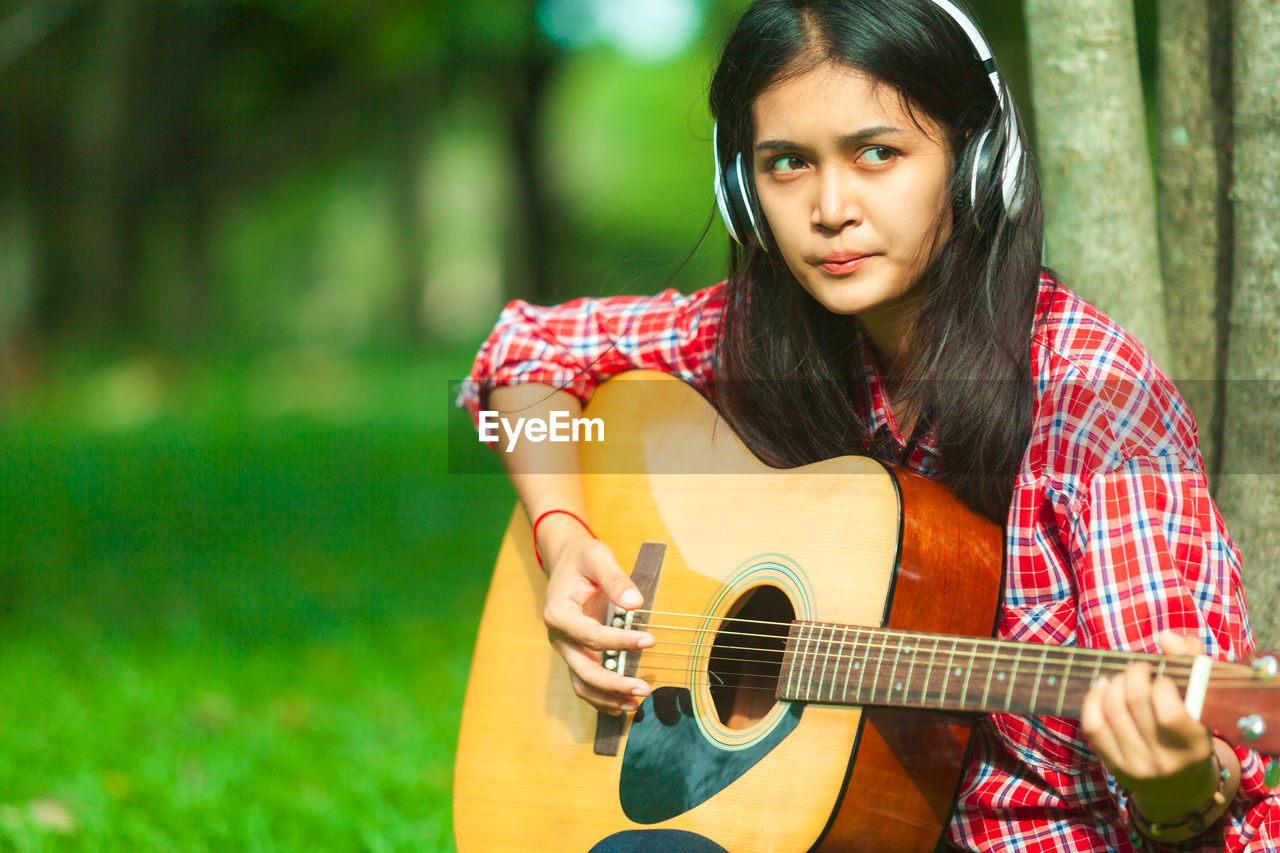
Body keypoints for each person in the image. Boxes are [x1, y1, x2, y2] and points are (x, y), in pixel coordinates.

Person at [456, 0, 1279, 849]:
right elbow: (523, 358)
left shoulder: (1096, 406)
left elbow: (1215, 784)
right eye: (786, 164)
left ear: (975, 161)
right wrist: (562, 537)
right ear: (742, 190)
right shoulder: (763, 338)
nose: (830, 207)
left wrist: (1179, 779)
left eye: (877, 153)